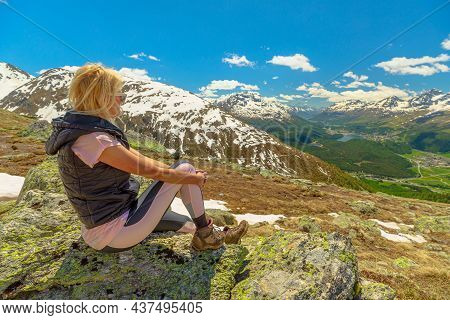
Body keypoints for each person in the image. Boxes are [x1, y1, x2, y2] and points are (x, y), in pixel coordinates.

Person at [45, 63, 248, 253]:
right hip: (113, 233)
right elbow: (151, 171)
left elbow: (141, 159)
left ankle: (217, 233)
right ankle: (205, 236)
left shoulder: (85, 131)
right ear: (103, 97)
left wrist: (186, 175)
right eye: (118, 94)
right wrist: (191, 177)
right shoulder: (95, 139)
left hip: (113, 219)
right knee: (185, 169)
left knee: (179, 220)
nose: (121, 100)